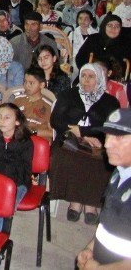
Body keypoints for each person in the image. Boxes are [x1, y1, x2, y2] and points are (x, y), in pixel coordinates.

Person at [50, 62, 121, 224]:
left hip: (98, 142)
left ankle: (91, 204)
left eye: (91, 77)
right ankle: (75, 202)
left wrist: (85, 132)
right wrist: (76, 133)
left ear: (100, 79)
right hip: (69, 139)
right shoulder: (68, 95)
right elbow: (56, 121)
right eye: (83, 76)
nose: (86, 80)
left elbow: (111, 127)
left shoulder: (110, 102)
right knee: (68, 158)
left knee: (101, 162)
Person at [76, 108, 131, 269]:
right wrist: (90, 247)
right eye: (107, 135)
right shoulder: (119, 172)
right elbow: (109, 223)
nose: (107, 144)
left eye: (119, 137)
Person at [0, 103, 33, 242]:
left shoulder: (26, 142)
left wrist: (5, 181)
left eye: (7, 117)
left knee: (2, 209)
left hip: (16, 183)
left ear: (17, 121)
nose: (2, 121)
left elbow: (23, 170)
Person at [12, 68, 54, 142]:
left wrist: (34, 132)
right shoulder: (18, 100)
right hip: (18, 137)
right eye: (25, 82)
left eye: (31, 83)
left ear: (41, 85)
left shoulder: (49, 106)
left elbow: (53, 133)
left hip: (38, 140)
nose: (27, 86)